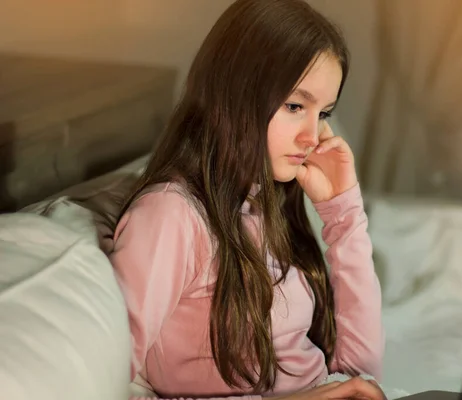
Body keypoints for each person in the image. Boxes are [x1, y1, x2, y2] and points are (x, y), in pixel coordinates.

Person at [108, 0, 385, 399]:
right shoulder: (171, 215)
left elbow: (362, 376)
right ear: (235, 92)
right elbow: (109, 383)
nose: (312, 136)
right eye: (295, 106)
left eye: (323, 113)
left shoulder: (263, 200)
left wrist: (344, 213)